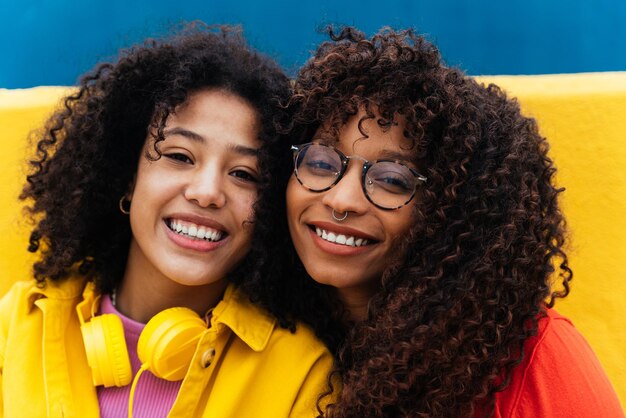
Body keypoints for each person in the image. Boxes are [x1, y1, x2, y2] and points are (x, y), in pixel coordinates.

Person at [280, 27, 625, 417]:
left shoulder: (534, 360)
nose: (341, 200)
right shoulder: (247, 332)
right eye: (322, 163)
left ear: (450, 211)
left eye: (392, 180)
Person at [0, 25, 332, 417]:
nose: (207, 192)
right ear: (127, 176)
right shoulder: (17, 325)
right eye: (179, 156)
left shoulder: (304, 374)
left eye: (244, 174)